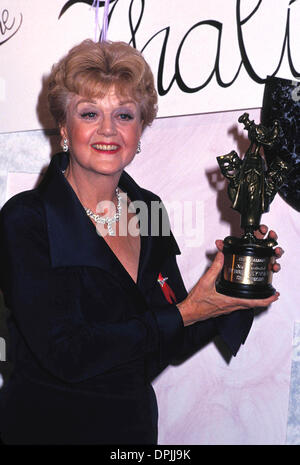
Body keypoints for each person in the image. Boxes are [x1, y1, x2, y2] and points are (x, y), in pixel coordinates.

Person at [0, 39, 282, 445]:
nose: (108, 130)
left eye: (125, 114)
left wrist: (232, 290)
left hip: (132, 432)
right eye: (90, 113)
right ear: (64, 126)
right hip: (44, 428)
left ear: (142, 127)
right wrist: (186, 313)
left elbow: (170, 337)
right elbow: (68, 353)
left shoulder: (148, 209)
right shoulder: (26, 219)